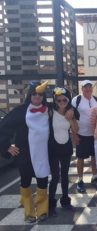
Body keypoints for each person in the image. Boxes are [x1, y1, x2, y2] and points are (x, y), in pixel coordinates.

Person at [0, 81, 50, 223]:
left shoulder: (48, 110)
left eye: (40, 94)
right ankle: (28, 212)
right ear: (29, 95)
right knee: (26, 181)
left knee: (42, 181)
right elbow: (4, 126)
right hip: (24, 153)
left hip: (43, 154)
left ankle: (42, 210)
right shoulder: (21, 111)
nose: (37, 96)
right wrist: (6, 146)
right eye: (34, 93)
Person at [48, 87, 79, 216]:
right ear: (55, 100)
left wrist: (71, 118)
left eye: (64, 100)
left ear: (68, 100)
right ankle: (50, 204)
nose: (61, 102)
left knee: (65, 176)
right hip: (53, 147)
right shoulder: (50, 112)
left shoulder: (71, 112)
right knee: (55, 177)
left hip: (66, 147)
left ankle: (65, 201)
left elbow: (76, 130)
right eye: (58, 100)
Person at [71, 80, 97, 193]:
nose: (88, 89)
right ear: (82, 88)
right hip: (81, 134)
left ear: (92, 89)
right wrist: (74, 134)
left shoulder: (96, 99)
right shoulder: (76, 100)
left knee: (94, 157)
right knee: (80, 158)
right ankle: (80, 180)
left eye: (89, 87)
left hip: (94, 134)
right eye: (85, 87)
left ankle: (94, 177)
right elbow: (71, 117)